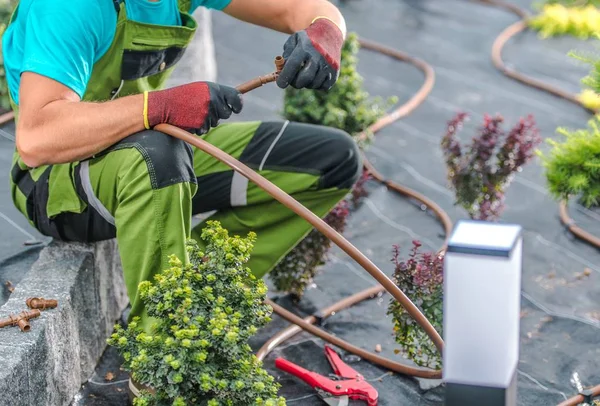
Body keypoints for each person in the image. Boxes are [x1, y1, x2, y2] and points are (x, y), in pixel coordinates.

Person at [2, 0, 362, 331]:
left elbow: (300, 7)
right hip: (58, 182)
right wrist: (161, 106)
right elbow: (37, 138)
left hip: (144, 148)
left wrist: (326, 30)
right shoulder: (70, 7)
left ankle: (201, 301)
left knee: (330, 161)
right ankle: (161, 349)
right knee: (158, 155)